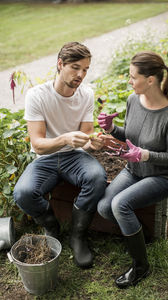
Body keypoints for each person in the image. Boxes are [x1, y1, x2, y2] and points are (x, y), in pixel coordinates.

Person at [14, 42, 107, 268]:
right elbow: (37, 145)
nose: (81, 74)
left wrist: (92, 143)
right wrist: (65, 139)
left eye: (85, 69)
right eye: (75, 67)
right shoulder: (38, 95)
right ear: (60, 64)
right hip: (46, 159)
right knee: (23, 193)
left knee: (97, 177)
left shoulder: (86, 94)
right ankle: (51, 226)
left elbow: (85, 134)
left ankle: (77, 235)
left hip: (74, 157)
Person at [97, 51, 168, 288]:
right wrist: (112, 128)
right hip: (135, 169)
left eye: (132, 76)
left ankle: (141, 266)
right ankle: (137, 235)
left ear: (150, 80)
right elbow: (132, 136)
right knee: (105, 207)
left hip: (162, 175)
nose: (129, 81)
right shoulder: (133, 100)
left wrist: (143, 154)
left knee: (119, 205)